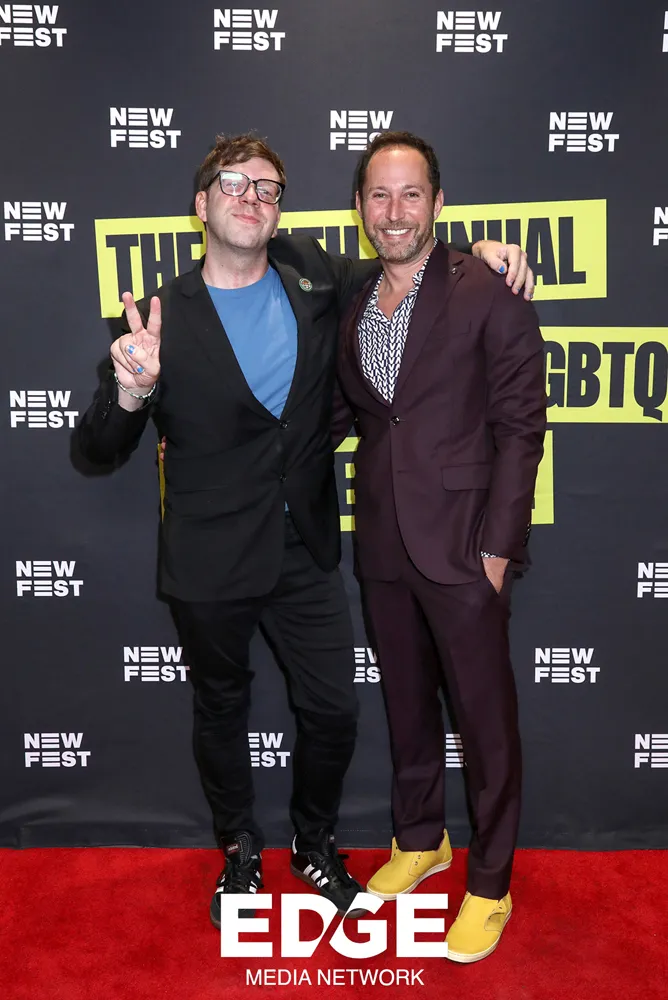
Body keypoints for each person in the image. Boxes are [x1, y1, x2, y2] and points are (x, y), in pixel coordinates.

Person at [76, 132, 535, 930]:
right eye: (233, 185)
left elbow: (407, 254)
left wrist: (478, 250)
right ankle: (238, 849)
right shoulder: (159, 316)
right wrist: (129, 391)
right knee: (222, 710)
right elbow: (96, 449)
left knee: (335, 712)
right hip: (209, 556)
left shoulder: (314, 275)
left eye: (267, 188)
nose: (251, 198)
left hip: (308, 549)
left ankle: (316, 842)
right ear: (201, 205)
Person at [334, 131, 547, 963]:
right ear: (360, 208)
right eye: (379, 195)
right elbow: (355, 415)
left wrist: (496, 550)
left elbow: (521, 429)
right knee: (406, 704)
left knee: (485, 722)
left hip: (464, 547)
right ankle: (421, 839)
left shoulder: (486, 288)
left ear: (439, 203)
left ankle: (490, 883)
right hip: (383, 542)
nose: (394, 211)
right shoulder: (352, 299)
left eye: (410, 193)